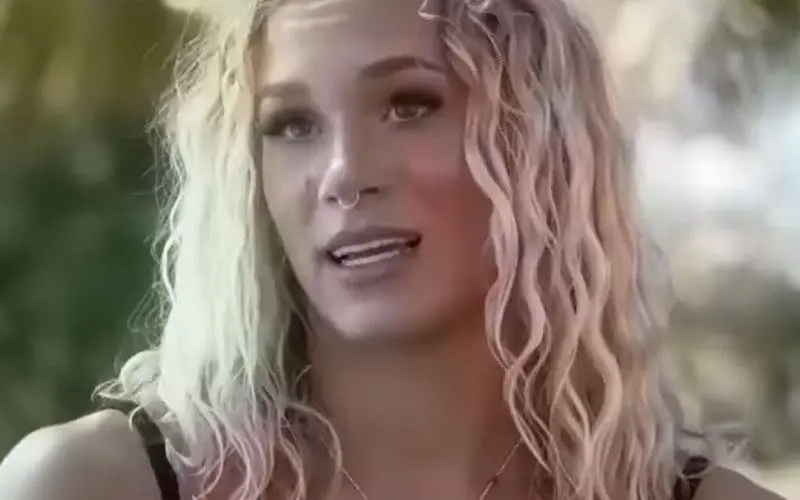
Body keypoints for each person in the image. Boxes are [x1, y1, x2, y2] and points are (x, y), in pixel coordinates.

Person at [0, 0, 787, 499]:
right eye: (291, 125)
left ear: (540, 149)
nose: (343, 174)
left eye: (409, 105)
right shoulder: (93, 487)